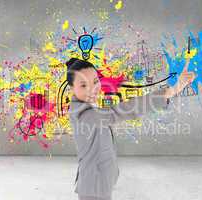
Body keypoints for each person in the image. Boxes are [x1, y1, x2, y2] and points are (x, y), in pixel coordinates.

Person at [64, 57, 195, 200]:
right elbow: (118, 112)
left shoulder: (87, 105)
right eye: (83, 85)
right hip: (94, 184)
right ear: (72, 89)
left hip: (99, 180)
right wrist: (170, 91)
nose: (93, 89)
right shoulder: (83, 113)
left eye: (95, 81)